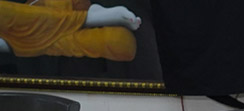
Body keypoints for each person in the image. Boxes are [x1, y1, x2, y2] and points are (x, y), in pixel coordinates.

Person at [0, 1, 140, 61]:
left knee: (121, 40)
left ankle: (91, 16)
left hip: (37, 29)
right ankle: (90, 17)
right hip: (20, 35)